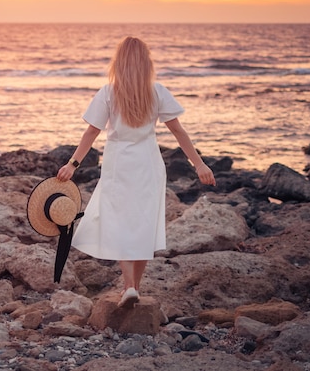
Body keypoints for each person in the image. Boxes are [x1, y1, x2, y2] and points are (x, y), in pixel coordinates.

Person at [56, 36, 216, 308]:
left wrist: (73, 164)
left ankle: (130, 286)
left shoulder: (108, 91)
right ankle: (133, 289)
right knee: (142, 224)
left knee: (119, 223)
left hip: (119, 163)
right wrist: (198, 164)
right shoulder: (157, 92)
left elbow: (92, 131)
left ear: (118, 63)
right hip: (148, 162)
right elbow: (178, 131)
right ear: (146, 63)